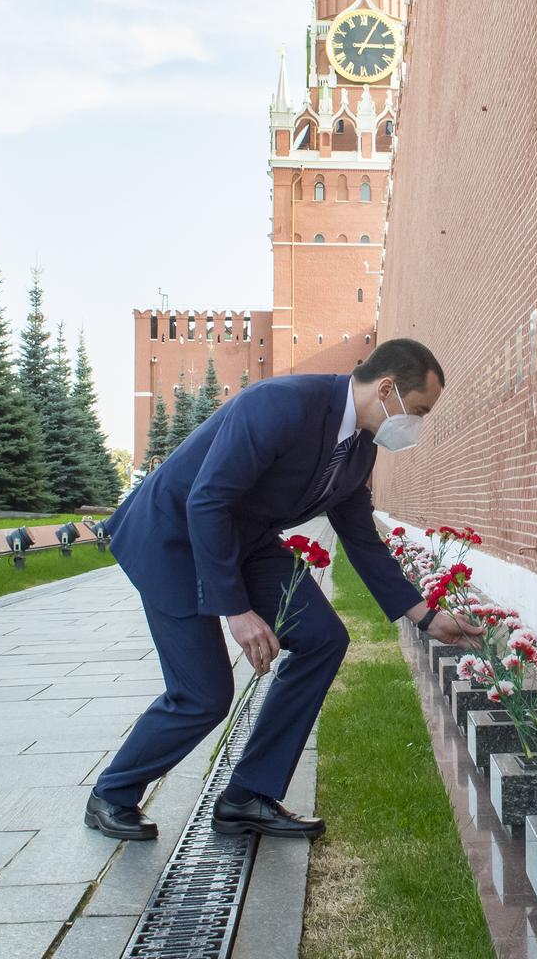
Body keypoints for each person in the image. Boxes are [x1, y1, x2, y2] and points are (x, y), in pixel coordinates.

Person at [84, 338, 483, 842]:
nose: (418, 425)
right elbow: (206, 502)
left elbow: (360, 537)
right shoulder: (280, 404)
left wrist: (424, 615)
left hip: (243, 539)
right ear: (386, 389)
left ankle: (248, 796)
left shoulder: (360, 449)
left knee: (323, 637)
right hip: (172, 537)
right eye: (419, 410)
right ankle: (112, 794)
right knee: (203, 695)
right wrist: (237, 610)